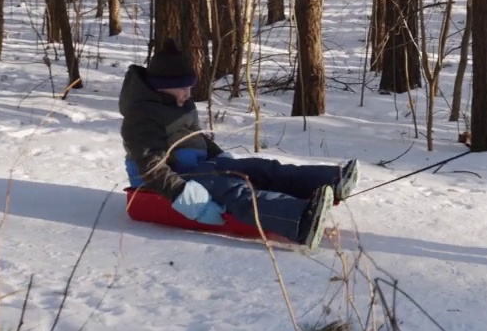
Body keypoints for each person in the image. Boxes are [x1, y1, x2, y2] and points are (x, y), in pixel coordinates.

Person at [119, 38, 359, 251]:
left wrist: (220, 155)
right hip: (163, 180)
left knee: (260, 168)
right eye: (182, 87)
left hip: (198, 166)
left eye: (189, 86)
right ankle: (299, 221)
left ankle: (330, 181)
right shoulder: (141, 116)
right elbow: (150, 165)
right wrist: (182, 193)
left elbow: (196, 137)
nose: (188, 93)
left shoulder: (179, 104)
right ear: (161, 86)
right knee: (232, 188)